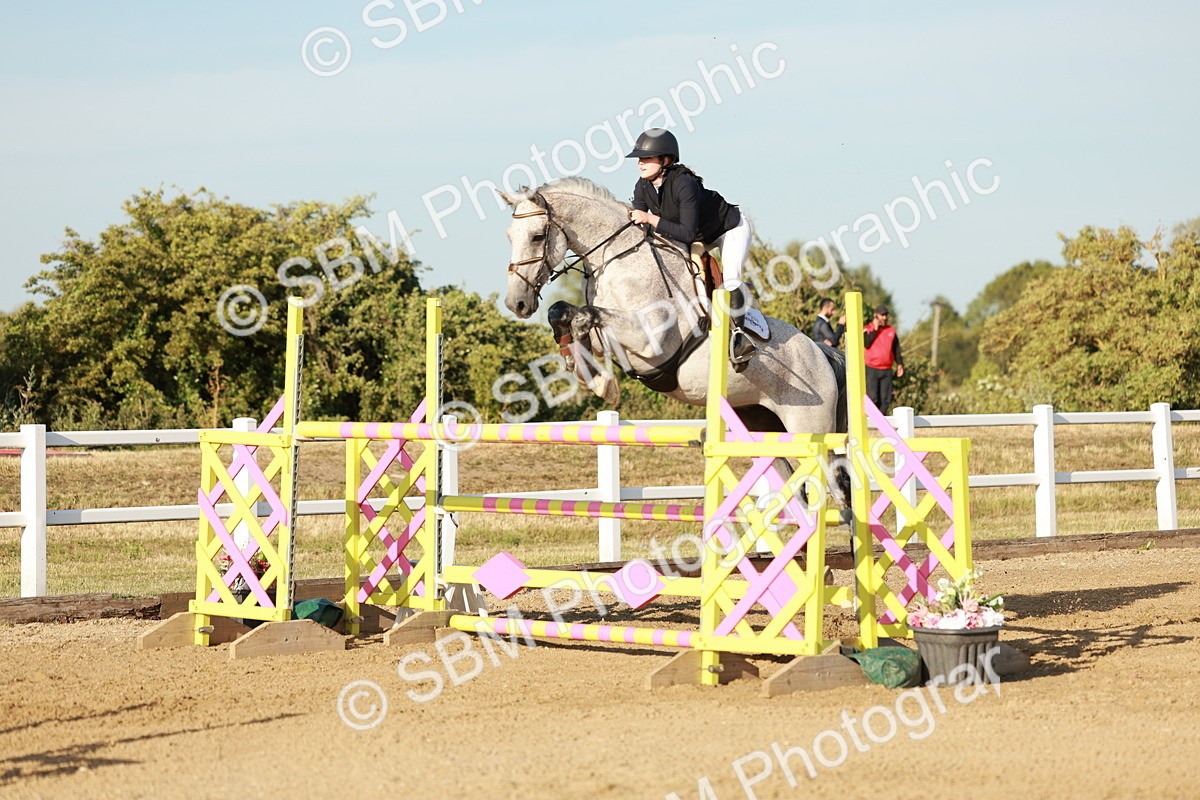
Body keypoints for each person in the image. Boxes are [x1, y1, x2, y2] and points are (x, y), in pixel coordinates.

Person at [625, 128, 757, 367]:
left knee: (730, 279)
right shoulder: (642, 187)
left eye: (646, 158)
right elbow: (643, 228)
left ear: (665, 160)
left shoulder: (684, 183)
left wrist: (651, 219)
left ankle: (741, 337)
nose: (641, 164)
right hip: (697, 237)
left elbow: (684, 232)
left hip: (729, 229)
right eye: (639, 159)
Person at [864, 304, 904, 413]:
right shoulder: (867, 329)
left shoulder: (891, 330)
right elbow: (866, 344)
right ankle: (871, 421)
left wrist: (900, 364)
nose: (885, 318)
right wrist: (875, 329)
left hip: (887, 370)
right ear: (875, 315)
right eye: (882, 315)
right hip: (872, 369)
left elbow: (896, 349)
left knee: (885, 399)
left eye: (886, 315)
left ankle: (881, 424)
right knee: (873, 398)